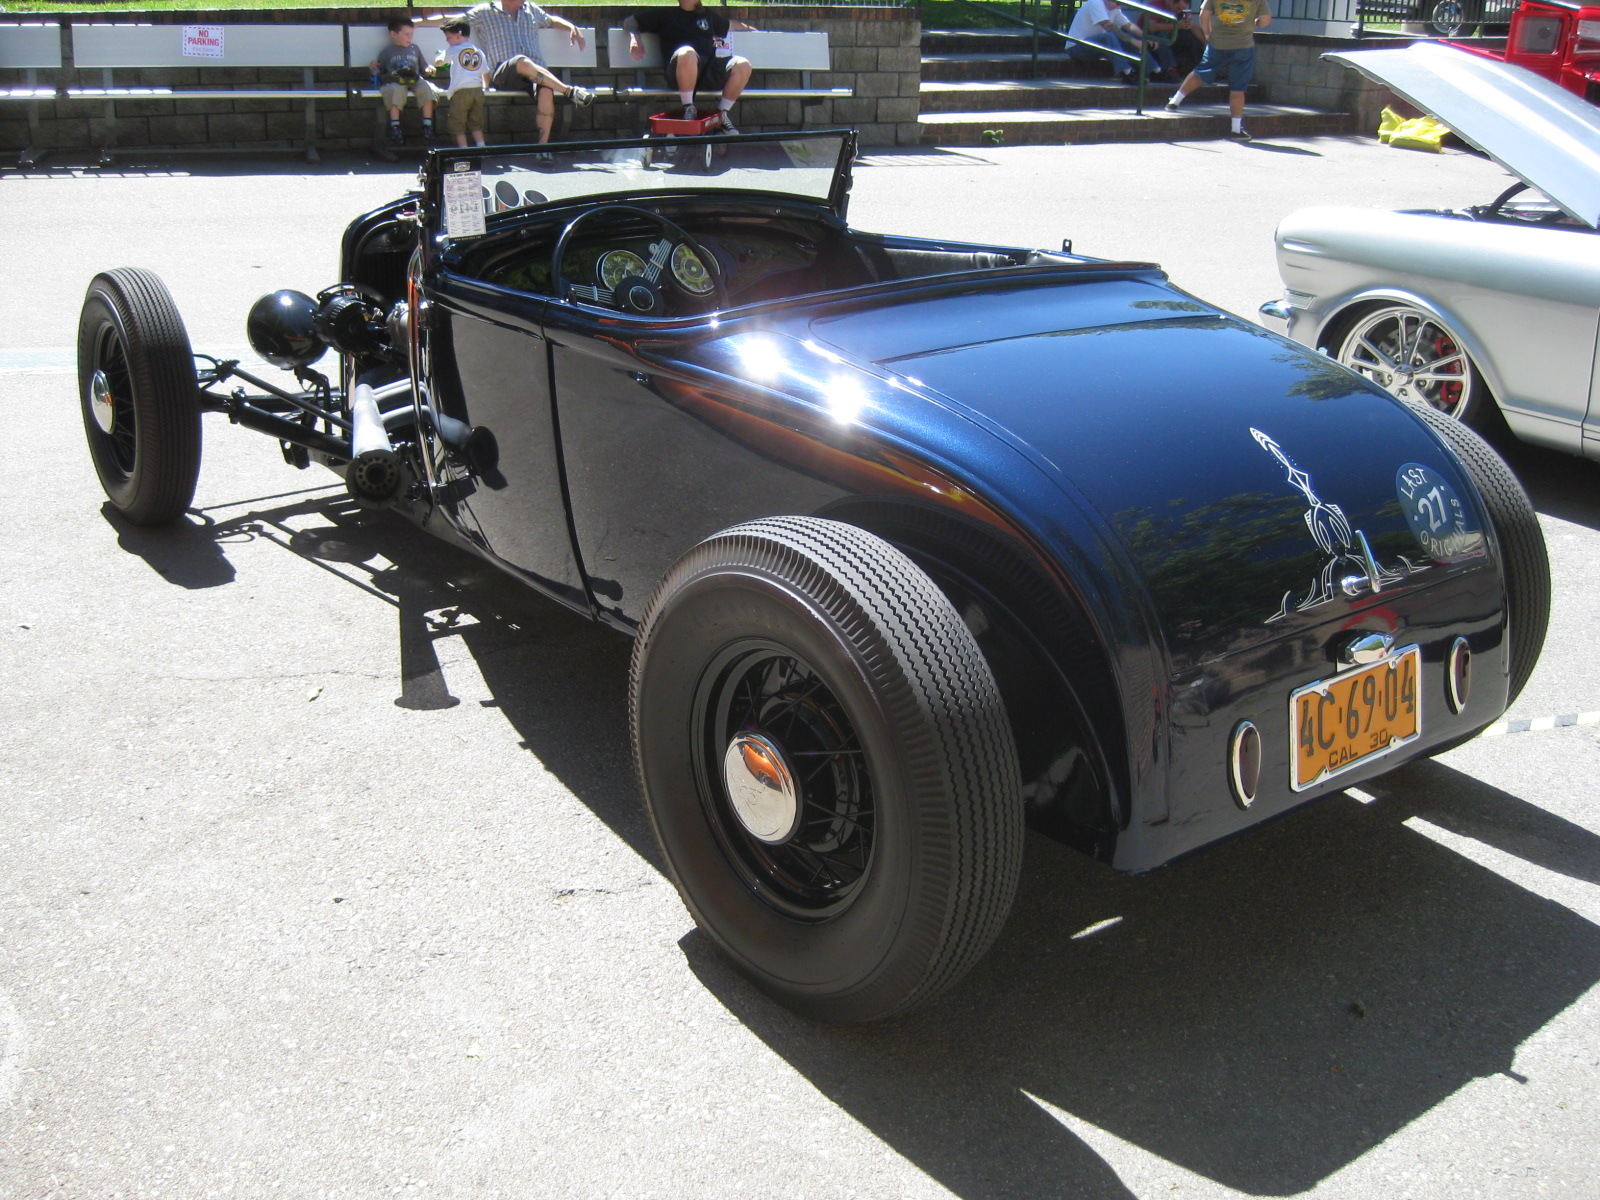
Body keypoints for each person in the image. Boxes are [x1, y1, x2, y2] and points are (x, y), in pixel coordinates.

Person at [420, 1, 595, 146]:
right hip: (504, 73)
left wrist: (571, 26)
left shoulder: (531, 9)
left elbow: (551, 20)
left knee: (546, 90)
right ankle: (569, 91)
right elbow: (451, 20)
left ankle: (542, 148)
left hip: (535, 72)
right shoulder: (485, 11)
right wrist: (414, 24)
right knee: (522, 61)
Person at [623, 0, 757, 135]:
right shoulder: (665, 14)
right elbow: (630, 22)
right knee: (688, 52)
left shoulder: (708, 15)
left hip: (706, 73)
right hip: (679, 74)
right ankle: (689, 109)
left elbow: (731, 25)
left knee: (743, 64)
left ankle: (721, 116)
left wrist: (752, 30)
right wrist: (635, 39)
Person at [1164, 0, 1271, 140]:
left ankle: (1175, 101)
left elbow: (1204, 15)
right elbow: (1265, 21)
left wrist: (1207, 35)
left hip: (1218, 43)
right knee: (1238, 88)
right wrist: (1253, 23)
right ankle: (1236, 129)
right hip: (1243, 46)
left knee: (1200, 72)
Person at [371, 18, 441, 145]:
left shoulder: (415, 49)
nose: (410, 37)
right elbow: (379, 72)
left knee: (427, 88)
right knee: (395, 90)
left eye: (411, 34)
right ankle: (395, 126)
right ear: (394, 34)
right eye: (406, 34)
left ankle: (427, 125)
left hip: (414, 78)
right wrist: (373, 67)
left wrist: (429, 69)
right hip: (396, 80)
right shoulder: (387, 52)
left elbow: (423, 67)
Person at [436, 19, 491, 147]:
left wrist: (438, 56)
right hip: (477, 91)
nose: (447, 41)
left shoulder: (453, 49)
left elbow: (439, 62)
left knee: (458, 123)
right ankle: (481, 147)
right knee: (476, 122)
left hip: (461, 92)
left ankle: (463, 149)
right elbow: (486, 73)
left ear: (458, 36)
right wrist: (485, 87)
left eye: (448, 37)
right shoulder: (478, 51)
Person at [1065, 0, 1148, 83]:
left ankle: (1151, 70)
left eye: (1121, 4)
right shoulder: (1096, 3)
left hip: (1093, 47)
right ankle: (1127, 72)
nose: (1118, 6)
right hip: (1076, 48)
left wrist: (1146, 38)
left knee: (1125, 39)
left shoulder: (1114, 9)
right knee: (1109, 37)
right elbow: (1108, 26)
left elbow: (1128, 26)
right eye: (1117, 3)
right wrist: (1133, 41)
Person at [1141, 0, 1205, 82]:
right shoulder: (1156, 4)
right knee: (1160, 34)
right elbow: (1151, 27)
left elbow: (1192, 25)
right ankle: (1170, 69)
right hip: (1149, 42)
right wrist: (1177, 25)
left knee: (1190, 35)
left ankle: (1202, 69)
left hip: (1169, 40)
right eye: (1178, 8)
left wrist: (1207, 43)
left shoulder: (1180, 10)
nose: (1179, 11)